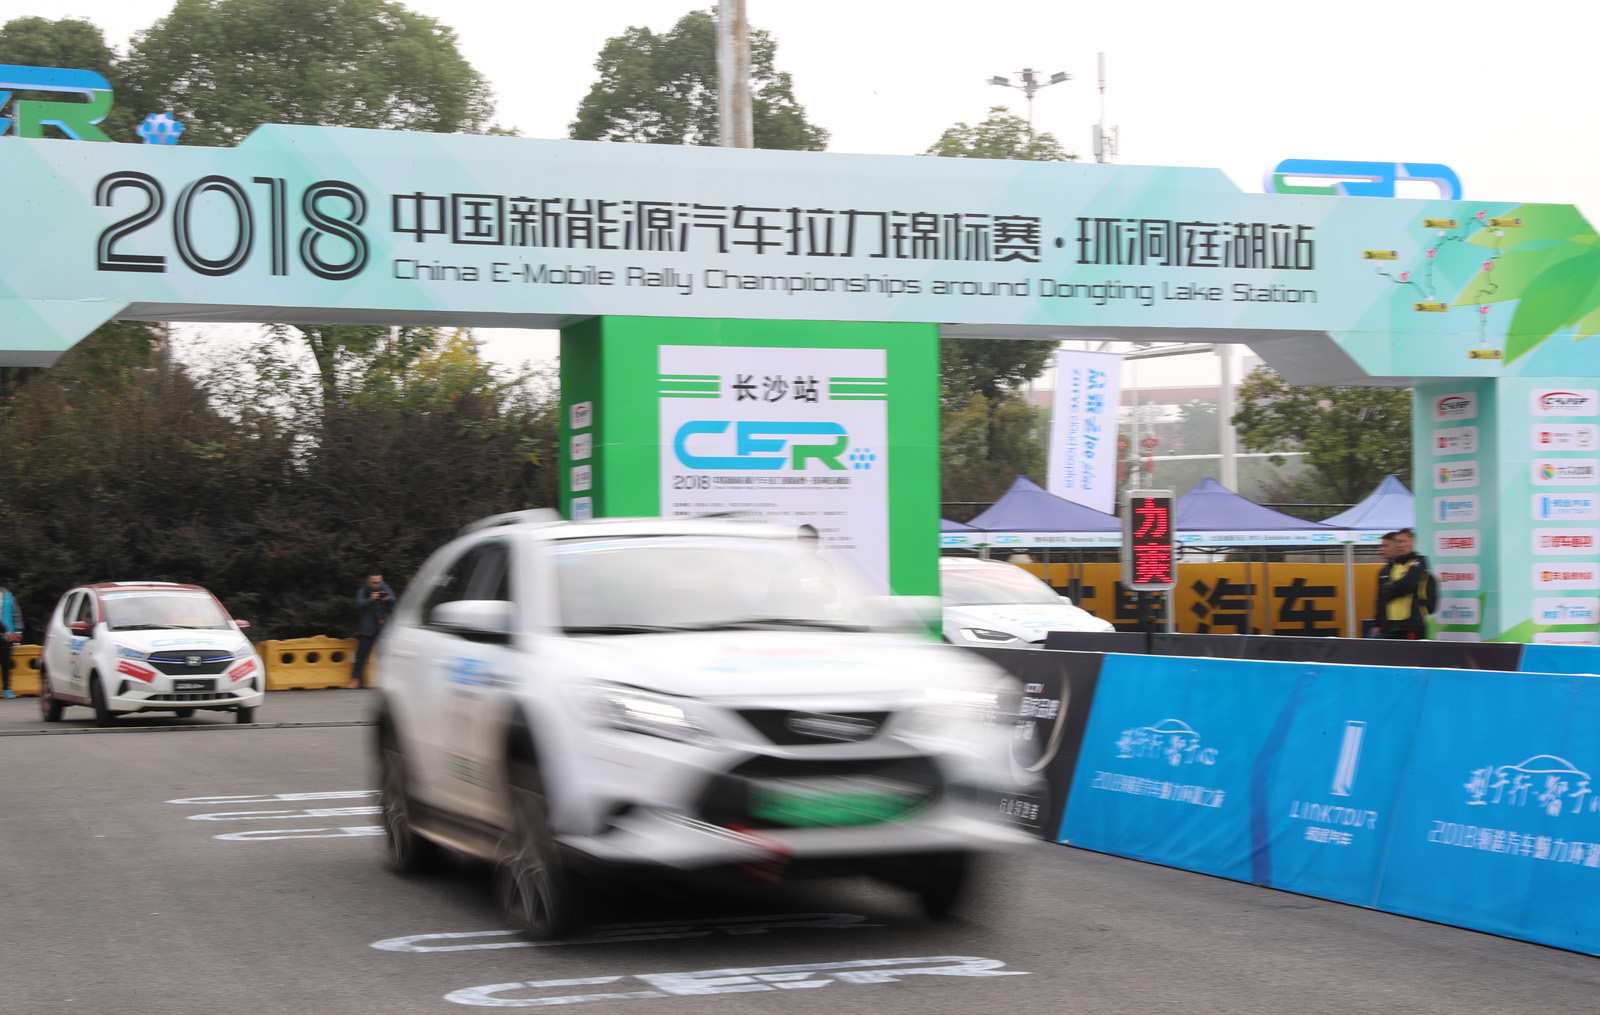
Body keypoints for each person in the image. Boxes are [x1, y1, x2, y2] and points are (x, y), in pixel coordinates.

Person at [1376, 528, 1433, 640]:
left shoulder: (1418, 563)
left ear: (1412, 542)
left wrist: (1391, 588)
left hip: (1411, 624)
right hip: (1391, 625)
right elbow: (1382, 596)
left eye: (1403, 541)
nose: (1400, 545)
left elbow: (1408, 585)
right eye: (1398, 542)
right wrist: (1378, 623)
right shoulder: (1390, 567)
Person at [349, 573, 395, 689]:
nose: (377, 585)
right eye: (374, 582)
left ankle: (388, 681)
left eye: (379, 582)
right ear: (368, 582)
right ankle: (355, 679)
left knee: (385, 656)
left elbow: (395, 600)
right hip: (368, 629)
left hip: (383, 629)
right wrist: (370, 599)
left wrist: (388, 599)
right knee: (361, 656)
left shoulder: (386, 589)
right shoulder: (363, 591)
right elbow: (359, 604)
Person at [0, 583, 20, 699]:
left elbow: (16, 614)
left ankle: (7, 689)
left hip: (7, 636)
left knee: (6, 663)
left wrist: (18, 630)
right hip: (5, 632)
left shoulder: (9, 596)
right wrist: (4, 630)